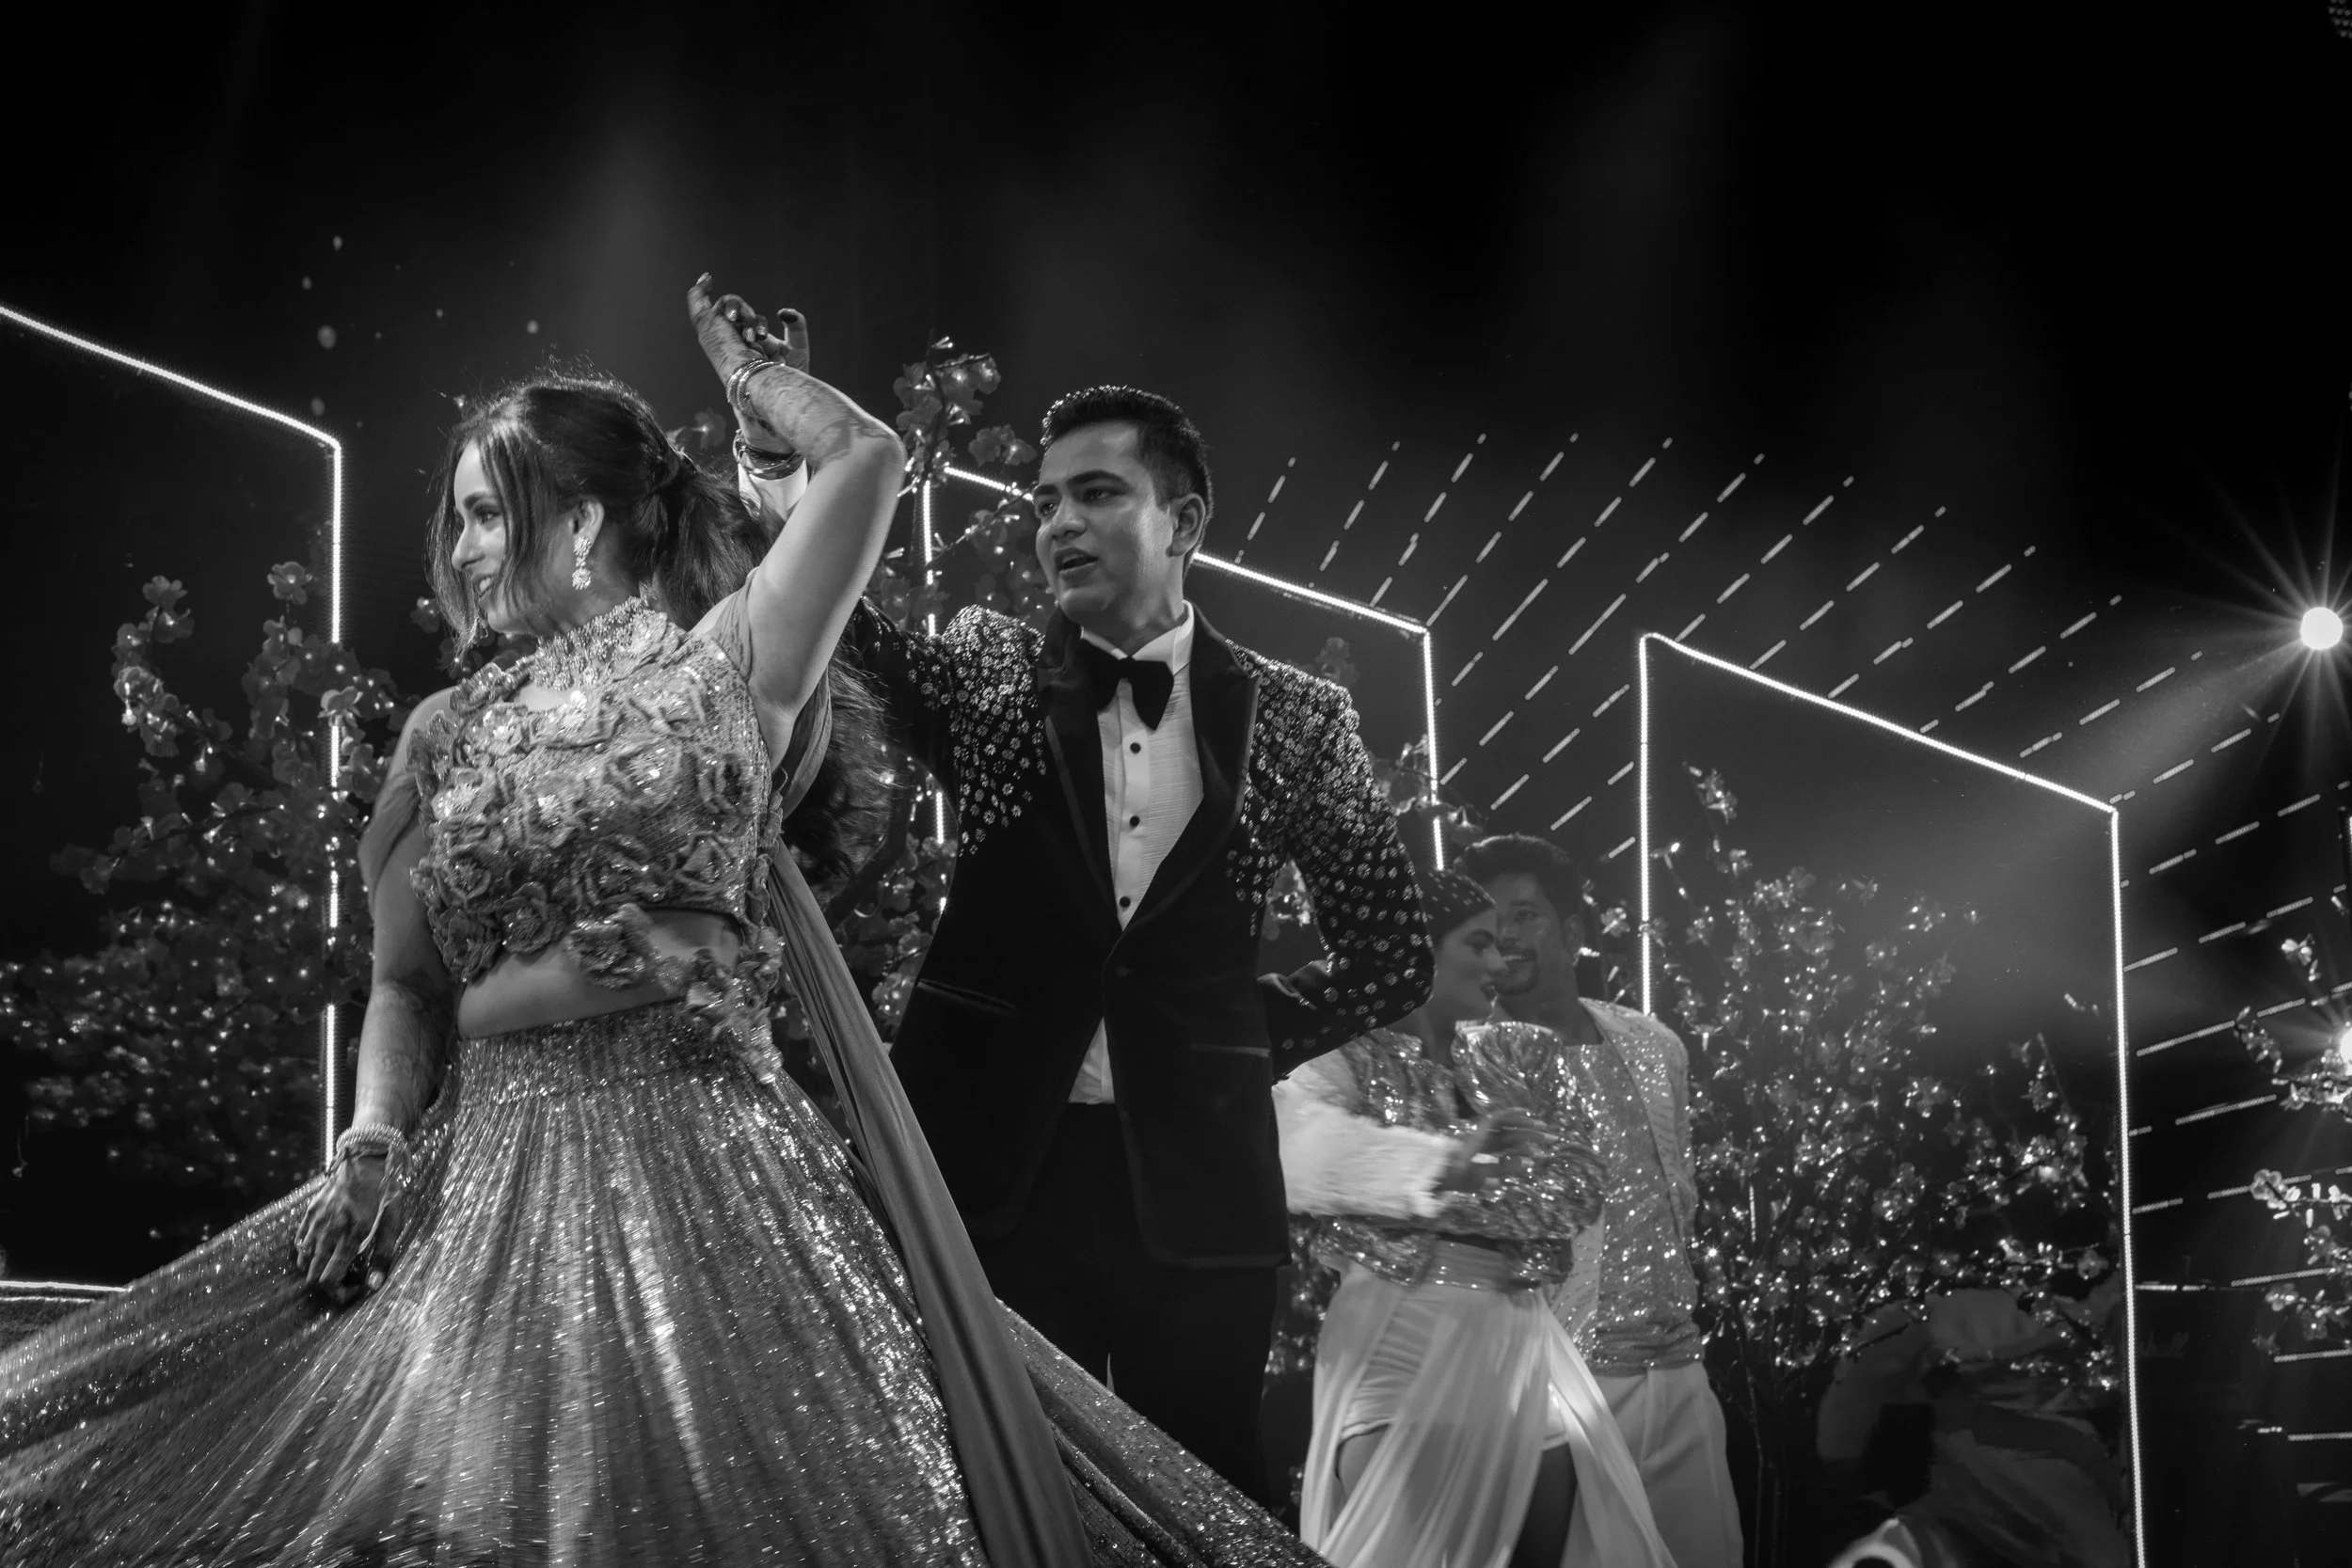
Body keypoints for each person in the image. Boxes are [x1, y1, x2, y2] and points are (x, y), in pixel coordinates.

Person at [0, 283, 1323, 1567]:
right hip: (490, 1185)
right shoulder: (441, 731)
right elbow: (404, 985)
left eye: (484, 512)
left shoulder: (729, 664)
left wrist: (751, 389)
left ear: (580, 519)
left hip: (711, 1178)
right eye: (456, 519)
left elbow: (864, 458)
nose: (460, 549)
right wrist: (372, 1140)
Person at [834, 386, 1433, 1505]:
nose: (1059, 522)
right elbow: (841, 631)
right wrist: (781, 460)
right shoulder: (989, 673)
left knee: (1205, 1495)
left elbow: (1392, 948)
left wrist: (1226, 1042)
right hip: (995, 1171)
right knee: (1007, 1495)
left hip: (1199, 1189)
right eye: (1044, 501)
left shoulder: (1297, 716)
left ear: (1184, 519)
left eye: (1097, 493)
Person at [1273, 868, 1673, 1567]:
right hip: (1399, 1335)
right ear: (1415, 949)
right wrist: (1449, 1165)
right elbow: (1298, 1158)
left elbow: (1577, 1190)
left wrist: (1432, 1191)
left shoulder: (1510, 1055)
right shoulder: (1339, 1056)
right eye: (1479, 943)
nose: (1499, 963)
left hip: (1520, 1339)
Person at [1456, 831, 1745, 1568]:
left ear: (1574, 930)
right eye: (1488, 923)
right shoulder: (1470, 1057)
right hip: (1561, 1381)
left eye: (1525, 915)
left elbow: (1677, 1189)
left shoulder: (1654, 1043)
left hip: (1679, 1367)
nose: (1505, 937)